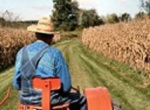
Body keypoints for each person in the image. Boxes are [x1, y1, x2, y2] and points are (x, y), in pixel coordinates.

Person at [13, 17, 87, 110]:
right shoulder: (55, 54)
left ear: (36, 34)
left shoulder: (21, 52)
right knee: (82, 100)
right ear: (52, 36)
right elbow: (66, 87)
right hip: (51, 101)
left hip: (25, 101)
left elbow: (16, 85)